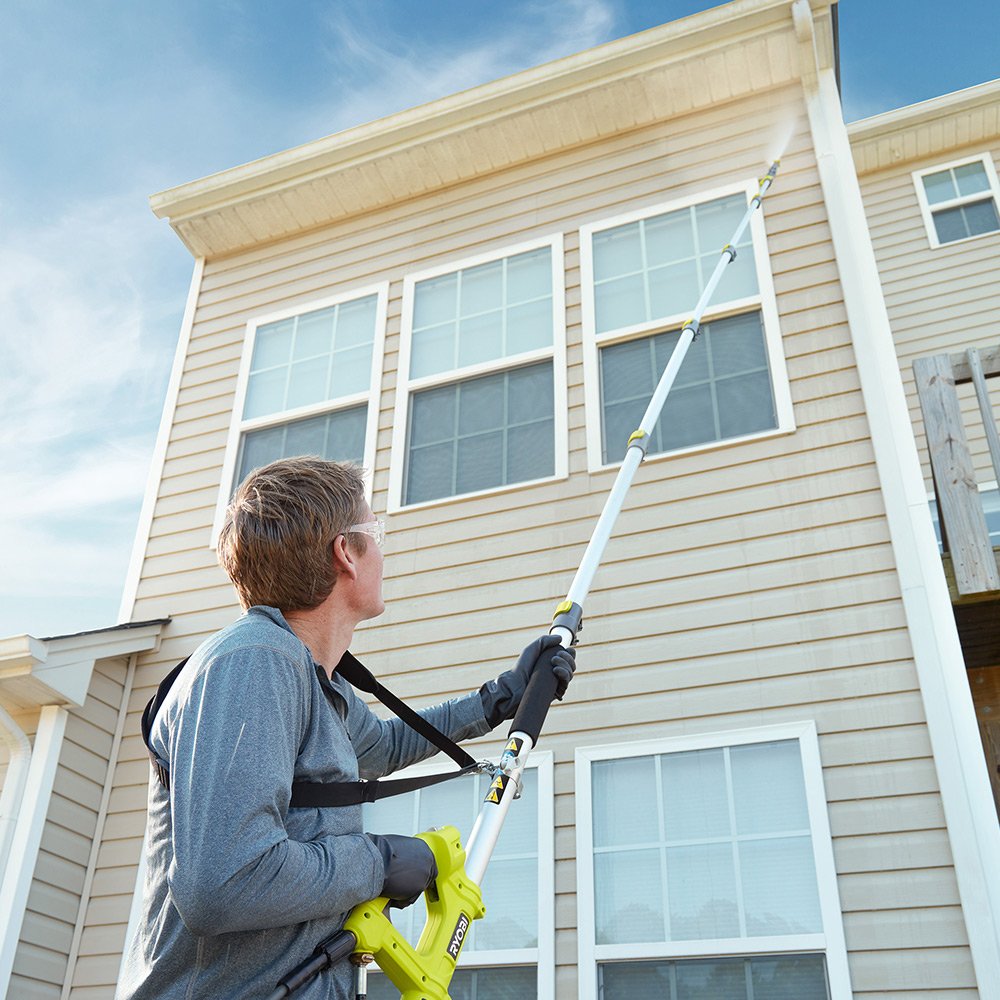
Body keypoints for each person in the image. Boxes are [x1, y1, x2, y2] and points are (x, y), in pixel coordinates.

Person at [117, 457, 575, 1000]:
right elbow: (224, 881)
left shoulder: (311, 678)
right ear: (345, 553)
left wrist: (498, 699)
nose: (382, 552)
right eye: (374, 533)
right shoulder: (253, 665)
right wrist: (378, 863)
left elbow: (382, 746)